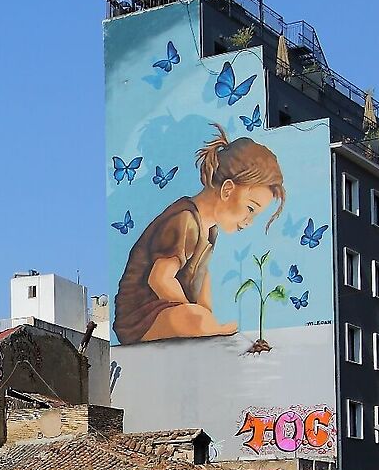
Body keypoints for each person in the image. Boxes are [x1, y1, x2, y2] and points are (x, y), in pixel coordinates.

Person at [112, 126, 286, 343]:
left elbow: (203, 275)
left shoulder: (210, 229)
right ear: (228, 190)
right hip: (140, 318)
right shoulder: (184, 219)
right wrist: (197, 315)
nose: (249, 222)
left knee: (199, 318)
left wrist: (206, 313)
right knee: (194, 318)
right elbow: (160, 280)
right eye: (250, 209)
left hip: (168, 311)